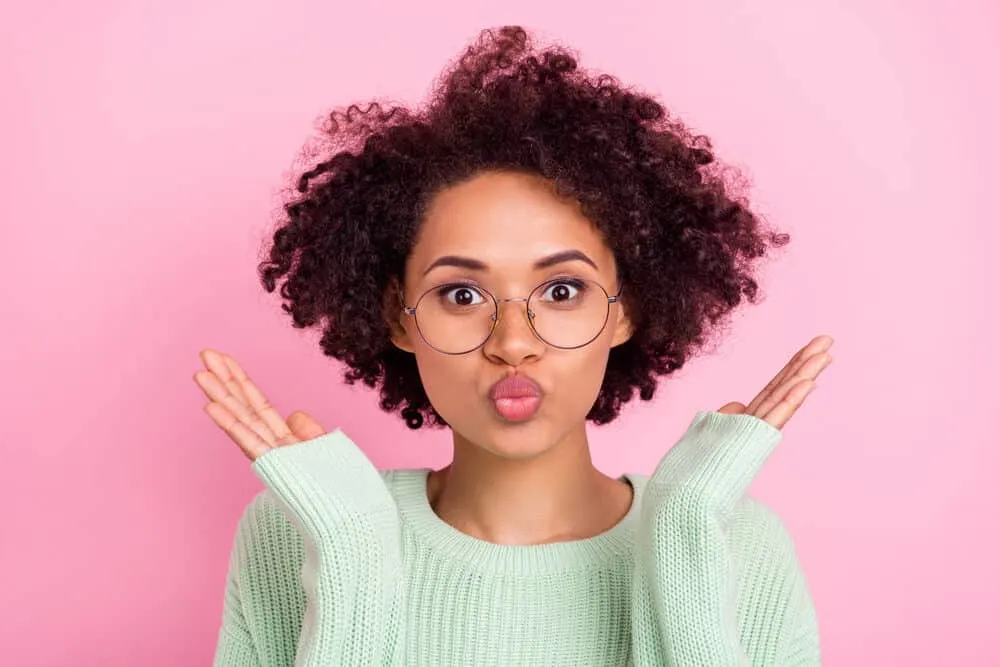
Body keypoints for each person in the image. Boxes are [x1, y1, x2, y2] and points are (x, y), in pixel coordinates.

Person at [195, 25, 832, 666]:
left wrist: (683, 539)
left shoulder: (734, 538)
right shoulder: (303, 527)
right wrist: (354, 554)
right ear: (398, 317)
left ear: (626, 310)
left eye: (561, 290)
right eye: (462, 296)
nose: (514, 344)